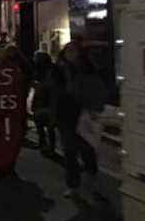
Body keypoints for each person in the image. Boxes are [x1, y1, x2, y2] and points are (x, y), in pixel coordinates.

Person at [52, 41, 106, 202]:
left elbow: (97, 90)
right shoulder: (59, 70)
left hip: (83, 115)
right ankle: (73, 185)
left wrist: (94, 107)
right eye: (68, 51)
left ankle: (91, 181)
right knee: (69, 153)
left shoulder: (88, 70)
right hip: (66, 116)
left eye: (74, 51)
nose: (71, 54)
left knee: (87, 150)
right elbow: (53, 92)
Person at [32, 51, 56, 156]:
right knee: (40, 124)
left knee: (49, 126)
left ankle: (50, 147)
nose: (35, 60)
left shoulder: (52, 70)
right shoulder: (39, 70)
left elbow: (52, 85)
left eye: (36, 58)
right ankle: (44, 144)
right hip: (41, 100)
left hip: (49, 101)